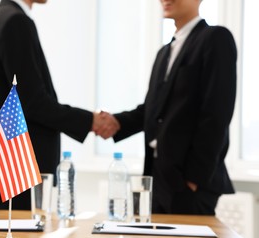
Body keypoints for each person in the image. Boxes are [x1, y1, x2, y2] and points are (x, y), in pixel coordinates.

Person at [0, 0, 119, 210]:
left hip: (11, 168)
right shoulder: (15, 22)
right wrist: (90, 120)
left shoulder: (4, 18)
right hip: (16, 169)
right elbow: (33, 102)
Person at [100, 0, 237, 215]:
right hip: (157, 176)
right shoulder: (164, 53)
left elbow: (217, 113)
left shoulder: (215, 38)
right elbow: (152, 110)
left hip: (188, 181)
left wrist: (194, 180)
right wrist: (116, 122)